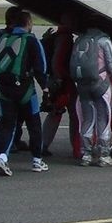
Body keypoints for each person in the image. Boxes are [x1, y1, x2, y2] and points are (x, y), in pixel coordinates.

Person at [0, 6, 51, 178]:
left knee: (7, 125)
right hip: (25, 89)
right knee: (34, 125)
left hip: (5, 90)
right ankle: (37, 160)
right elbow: (41, 67)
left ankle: (2, 157)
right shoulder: (30, 39)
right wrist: (45, 88)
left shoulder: (2, 37)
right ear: (28, 23)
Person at [71, 25, 112, 167]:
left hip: (82, 85)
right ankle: (104, 154)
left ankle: (86, 153)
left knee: (86, 119)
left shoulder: (80, 40)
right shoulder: (104, 41)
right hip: (101, 83)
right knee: (103, 118)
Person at [40, 11, 82, 161]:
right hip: (63, 82)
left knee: (55, 113)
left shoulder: (55, 37)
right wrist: (64, 78)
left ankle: (43, 144)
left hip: (54, 80)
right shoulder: (65, 39)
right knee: (74, 114)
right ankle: (76, 146)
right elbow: (58, 62)